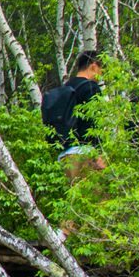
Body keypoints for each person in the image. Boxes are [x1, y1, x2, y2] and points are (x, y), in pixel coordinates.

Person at [42, 49, 106, 183]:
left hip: (65, 154)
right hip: (85, 152)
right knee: (95, 199)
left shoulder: (66, 87)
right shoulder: (90, 87)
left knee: (76, 197)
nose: (101, 75)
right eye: (101, 70)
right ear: (93, 65)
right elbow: (93, 123)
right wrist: (98, 154)